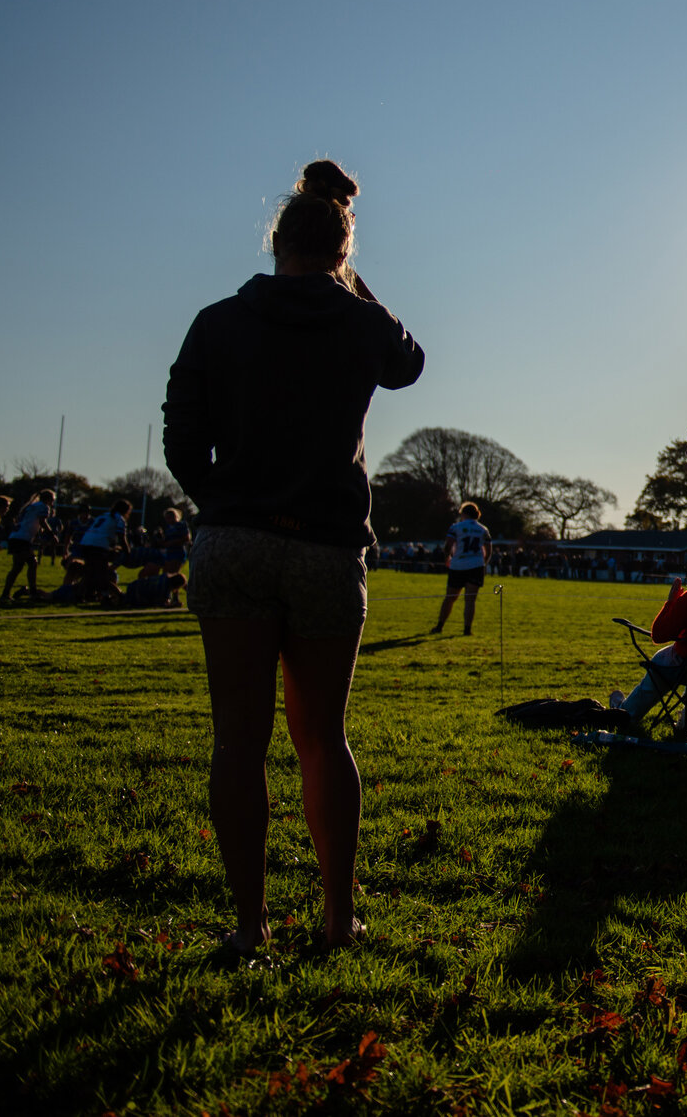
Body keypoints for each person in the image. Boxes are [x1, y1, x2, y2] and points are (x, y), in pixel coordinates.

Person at [162, 158, 425, 956]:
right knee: (323, 738)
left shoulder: (217, 320)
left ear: (276, 240)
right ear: (343, 247)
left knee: (238, 740)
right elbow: (409, 364)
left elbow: (180, 433)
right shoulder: (361, 322)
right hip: (325, 546)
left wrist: (223, 498)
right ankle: (339, 917)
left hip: (234, 538)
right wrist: (355, 276)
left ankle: (250, 925)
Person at [612, 544, 687, 737]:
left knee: (666, 660)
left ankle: (626, 712)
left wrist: (671, 602)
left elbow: (659, 635)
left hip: (684, 666)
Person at [433, 502, 490, 636]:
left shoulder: (456, 527)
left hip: (458, 565)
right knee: (470, 600)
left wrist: (447, 557)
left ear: (464, 514)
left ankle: (440, 626)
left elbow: (449, 545)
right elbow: (489, 549)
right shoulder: (483, 529)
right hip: (476, 565)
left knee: (450, 598)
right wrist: (484, 563)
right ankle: (467, 629)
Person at [1, 489, 56, 602]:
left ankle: (6, 593)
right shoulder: (43, 507)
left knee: (17, 567)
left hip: (15, 536)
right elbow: (42, 521)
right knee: (32, 563)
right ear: (49, 499)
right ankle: (33, 592)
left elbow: (30, 523)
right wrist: (52, 534)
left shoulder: (31, 506)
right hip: (21, 539)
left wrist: (36, 538)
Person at [79, 500, 135, 601]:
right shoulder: (119, 519)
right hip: (98, 545)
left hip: (86, 543)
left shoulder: (104, 515)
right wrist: (127, 551)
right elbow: (122, 537)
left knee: (90, 572)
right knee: (102, 574)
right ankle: (111, 595)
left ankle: (86, 594)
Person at [112, 571, 188, 610]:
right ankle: (119, 599)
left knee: (125, 597)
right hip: (137, 596)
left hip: (133, 585)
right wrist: (173, 606)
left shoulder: (164, 577)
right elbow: (161, 604)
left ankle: (118, 597)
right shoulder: (164, 589)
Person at [157, 507, 192, 573]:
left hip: (178, 552)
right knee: (165, 574)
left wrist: (172, 542)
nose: (167, 520)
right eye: (166, 518)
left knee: (173, 573)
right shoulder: (168, 528)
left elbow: (187, 538)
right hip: (169, 552)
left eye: (169, 517)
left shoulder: (181, 525)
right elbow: (165, 541)